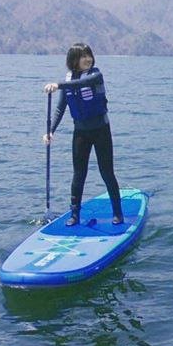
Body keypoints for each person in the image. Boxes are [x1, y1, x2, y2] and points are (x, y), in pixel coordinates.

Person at [43, 43, 123, 226]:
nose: (88, 59)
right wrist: (50, 131)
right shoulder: (69, 79)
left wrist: (58, 85)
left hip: (101, 131)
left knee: (107, 172)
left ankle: (118, 213)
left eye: (89, 55)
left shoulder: (96, 75)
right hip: (80, 133)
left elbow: (83, 83)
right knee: (79, 174)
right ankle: (75, 214)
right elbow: (60, 108)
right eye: (83, 56)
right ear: (73, 60)